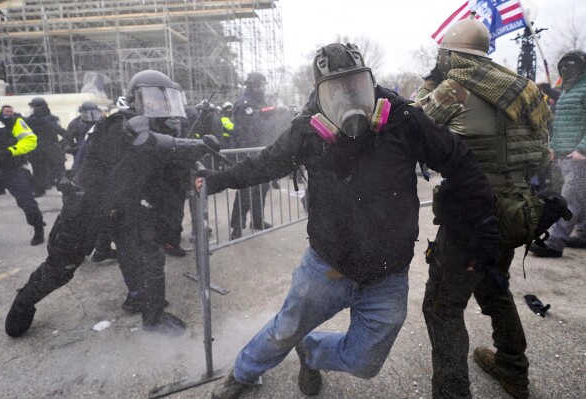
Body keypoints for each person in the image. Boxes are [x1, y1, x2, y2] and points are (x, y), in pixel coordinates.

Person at [197, 42, 500, 399]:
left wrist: (485, 225)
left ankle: (310, 352)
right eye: (336, 90)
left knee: (363, 363)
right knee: (283, 330)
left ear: (369, 82)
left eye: (355, 86)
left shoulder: (404, 120)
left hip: (388, 275)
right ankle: (242, 374)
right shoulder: (306, 130)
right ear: (318, 93)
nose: (349, 98)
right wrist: (214, 181)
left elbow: (460, 161)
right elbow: (263, 165)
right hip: (327, 267)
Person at [4, 70, 211, 338]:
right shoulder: (117, 124)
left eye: (165, 99)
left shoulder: (155, 126)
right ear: (136, 97)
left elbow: (161, 162)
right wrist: (186, 144)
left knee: (150, 255)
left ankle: (153, 316)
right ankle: (23, 304)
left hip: (123, 205)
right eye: (154, 99)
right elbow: (147, 143)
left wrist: (197, 149)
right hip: (87, 207)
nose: (161, 105)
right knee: (61, 268)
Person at [414, 14, 552, 399]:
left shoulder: (455, 88)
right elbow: (544, 151)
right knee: (494, 287)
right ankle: (512, 368)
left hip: (472, 218)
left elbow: (413, 124)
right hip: (518, 212)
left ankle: (453, 393)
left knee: (441, 307)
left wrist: (430, 81)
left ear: (450, 55)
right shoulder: (523, 89)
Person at [529, 50, 586, 256]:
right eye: (563, 65)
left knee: (569, 199)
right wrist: (553, 145)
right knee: (582, 197)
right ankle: (583, 235)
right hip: (564, 153)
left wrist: (582, 149)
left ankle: (554, 243)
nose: (565, 68)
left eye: (571, 64)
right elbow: (560, 121)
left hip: (579, 156)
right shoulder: (569, 91)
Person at [0, 87, 46, 246]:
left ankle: (38, 227)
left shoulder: (11, 120)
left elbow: (30, 140)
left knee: (27, 202)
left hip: (11, 169)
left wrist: (11, 151)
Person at [63, 100, 117, 263]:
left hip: (94, 172)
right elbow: (66, 143)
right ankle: (81, 250)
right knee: (87, 215)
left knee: (100, 215)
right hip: (84, 171)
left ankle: (100, 249)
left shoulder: (102, 124)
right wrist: (72, 148)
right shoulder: (75, 124)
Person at [228, 72, 273, 240]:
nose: (263, 88)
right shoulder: (243, 103)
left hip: (261, 152)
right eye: (261, 85)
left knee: (262, 188)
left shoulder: (258, 102)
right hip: (247, 153)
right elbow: (249, 129)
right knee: (246, 191)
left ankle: (258, 220)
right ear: (253, 85)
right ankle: (237, 226)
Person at [25, 97, 67, 197]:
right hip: (37, 148)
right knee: (38, 170)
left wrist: (63, 143)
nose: (34, 109)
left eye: (35, 107)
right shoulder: (30, 120)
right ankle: (40, 189)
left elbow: (60, 131)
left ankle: (65, 188)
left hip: (51, 146)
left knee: (59, 169)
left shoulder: (52, 118)